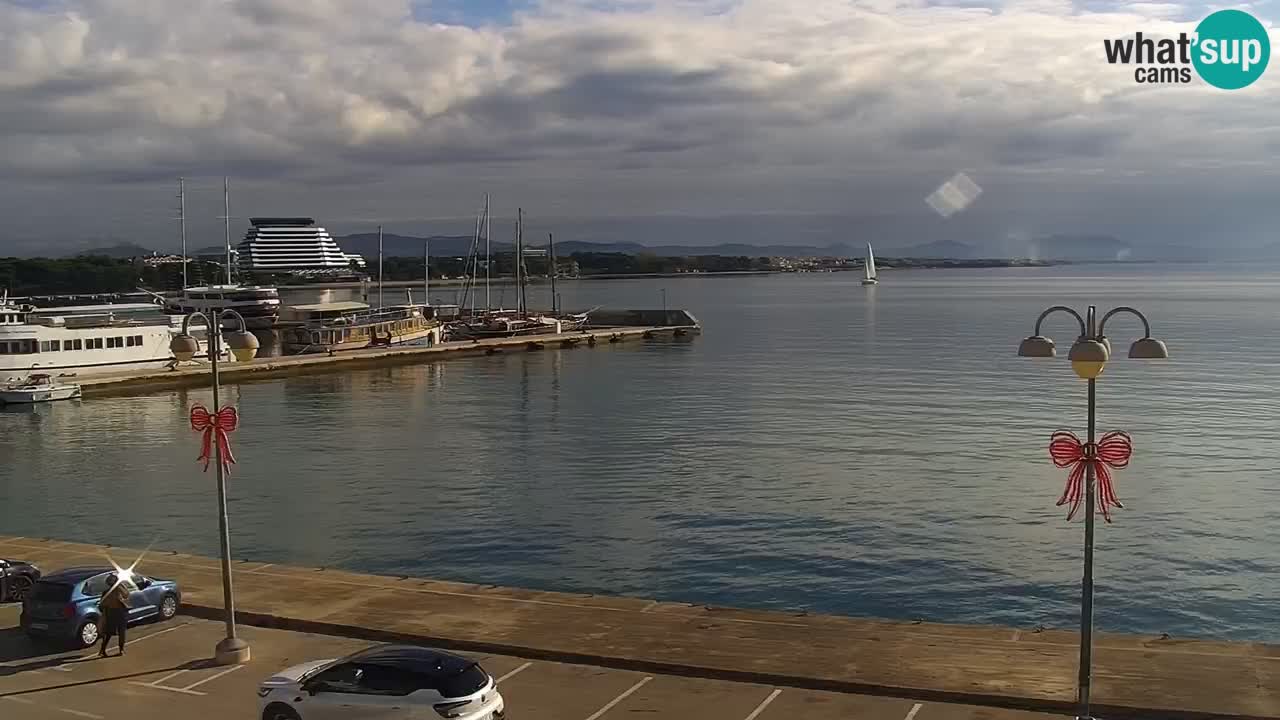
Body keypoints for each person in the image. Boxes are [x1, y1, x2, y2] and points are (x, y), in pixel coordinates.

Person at [97, 574, 130, 658]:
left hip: (115, 612)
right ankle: (109, 649)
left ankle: (105, 649)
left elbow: (126, 594)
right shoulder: (115, 590)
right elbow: (126, 594)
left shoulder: (114, 590)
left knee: (113, 633)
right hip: (115, 612)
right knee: (114, 632)